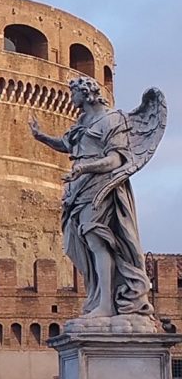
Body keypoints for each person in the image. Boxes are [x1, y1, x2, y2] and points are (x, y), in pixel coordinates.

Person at [29, 77, 162, 318]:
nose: (71, 98)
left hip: (100, 185)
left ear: (86, 93)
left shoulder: (113, 119)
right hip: (78, 188)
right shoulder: (83, 121)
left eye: (73, 93)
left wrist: (85, 168)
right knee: (77, 244)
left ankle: (106, 305)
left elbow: (116, 160)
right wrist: (42, 138)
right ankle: (97, 296)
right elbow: (68, 145)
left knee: (97, 241)